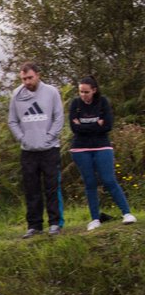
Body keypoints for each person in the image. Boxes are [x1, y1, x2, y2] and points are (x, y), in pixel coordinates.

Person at [69, 76, 137, 230]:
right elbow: (75, 129)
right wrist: (95, 125)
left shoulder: (103, 102)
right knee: (90, 183)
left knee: (109, 180)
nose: (83, 95)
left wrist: (85, 126)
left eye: (86, 92)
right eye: (81, 92)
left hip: (102, 146)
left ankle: (127, 213)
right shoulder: (75, 104)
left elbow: (107, 126)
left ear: (94, 90)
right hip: (80, 149)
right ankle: (95, 219)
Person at [8, 62, 65, 238]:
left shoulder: (51, 92)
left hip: (49, 149)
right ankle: (34, 225)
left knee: (51, 187)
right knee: (31, 189)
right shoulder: (17, 95)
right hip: (28, 150)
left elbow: (59, 117)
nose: (27, 82)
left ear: (38, 75)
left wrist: (49, 136)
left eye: (30, 78)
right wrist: (22, 138)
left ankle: (54, 223)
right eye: (24, 79)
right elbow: (12, 121)